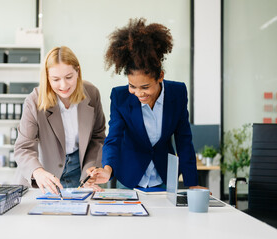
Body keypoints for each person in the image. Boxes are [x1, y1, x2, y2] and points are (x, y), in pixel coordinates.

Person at [87, 18, 204, 190]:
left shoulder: (177, 93)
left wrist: (192, 184)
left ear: (160, 76)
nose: (139, 93)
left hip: (164, 177)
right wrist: (107, 169)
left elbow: (184, 140)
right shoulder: (120, 97)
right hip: (129, 178)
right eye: (132, 86)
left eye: (145, 87)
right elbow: (113, 138)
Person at [14, 46, 106, 194]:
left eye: (69, 77)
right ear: (47, 78)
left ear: (78, 71)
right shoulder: (34, 101)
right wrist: (37, 172)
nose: (63, 85)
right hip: (44, 176)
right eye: (56, 79)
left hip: (80, 173)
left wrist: (91, 170)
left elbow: (98, 137)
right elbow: (23, 148)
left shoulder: (92, 94)